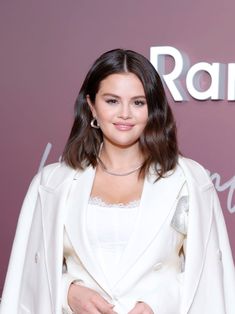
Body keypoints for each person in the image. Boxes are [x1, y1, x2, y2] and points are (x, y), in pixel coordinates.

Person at [0, 49, 235, 314]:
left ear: (153, 109)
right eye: (112, 101)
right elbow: (27, 276)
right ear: (91, 105)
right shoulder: (52, 183)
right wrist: (68, 292)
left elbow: (210, 279)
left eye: (138, 102)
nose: (125, 114)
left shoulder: (190, 180)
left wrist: (157, 303)